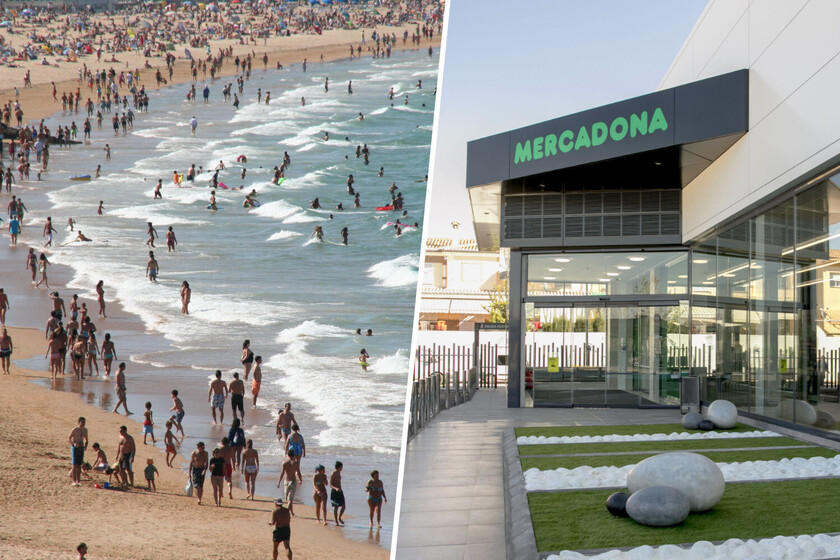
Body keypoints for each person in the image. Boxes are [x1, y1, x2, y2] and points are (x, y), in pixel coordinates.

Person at [277, 449, 302, 517]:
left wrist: (279, 482)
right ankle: (287, 513)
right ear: (293, 455)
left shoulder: (285, 463)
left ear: (288, 455)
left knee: (288, 499)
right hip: (293, 482)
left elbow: (282, 473)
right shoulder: (296, 463)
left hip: (286, 481)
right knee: (290, 499)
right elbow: (299, 473)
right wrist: (300, 480)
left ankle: (291, 512)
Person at [68, 417, 88, 486]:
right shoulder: (75, 429)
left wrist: (85, 446)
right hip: (75, 448)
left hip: (81, 448)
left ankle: (78, 481)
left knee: (79, 465)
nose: (83, 424)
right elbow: (68, 439)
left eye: (84, 422)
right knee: (74, 465)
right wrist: (74, 444)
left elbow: (86, 440)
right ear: (78, 422)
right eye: (82, 422)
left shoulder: (85, 430)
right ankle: (74, 481)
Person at [330, 461, 345, 526]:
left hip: (340, 491)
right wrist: (335, 488)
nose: (342, 468)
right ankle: (336, 521)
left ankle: (339, 517)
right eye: (341, 467)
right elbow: (330, 484)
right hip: (334, 492)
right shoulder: (333, 473)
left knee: (343, 506)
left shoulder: (339, 473)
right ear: (339, 467)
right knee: (336, 507)